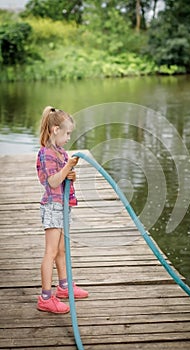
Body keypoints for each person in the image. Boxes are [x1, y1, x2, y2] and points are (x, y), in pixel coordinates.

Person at [36, 106, 88, 314]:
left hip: (63, 206)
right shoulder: (47, 153)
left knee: (62, 250)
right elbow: (53, 180)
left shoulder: (60, 152)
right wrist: (67, 169)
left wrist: (71, 175)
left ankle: (64, 287)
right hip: (52, 207)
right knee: (50, 252)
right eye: (67, 133)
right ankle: (45, 298)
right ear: (55, 129)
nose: (68, 138)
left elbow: (64, 178)